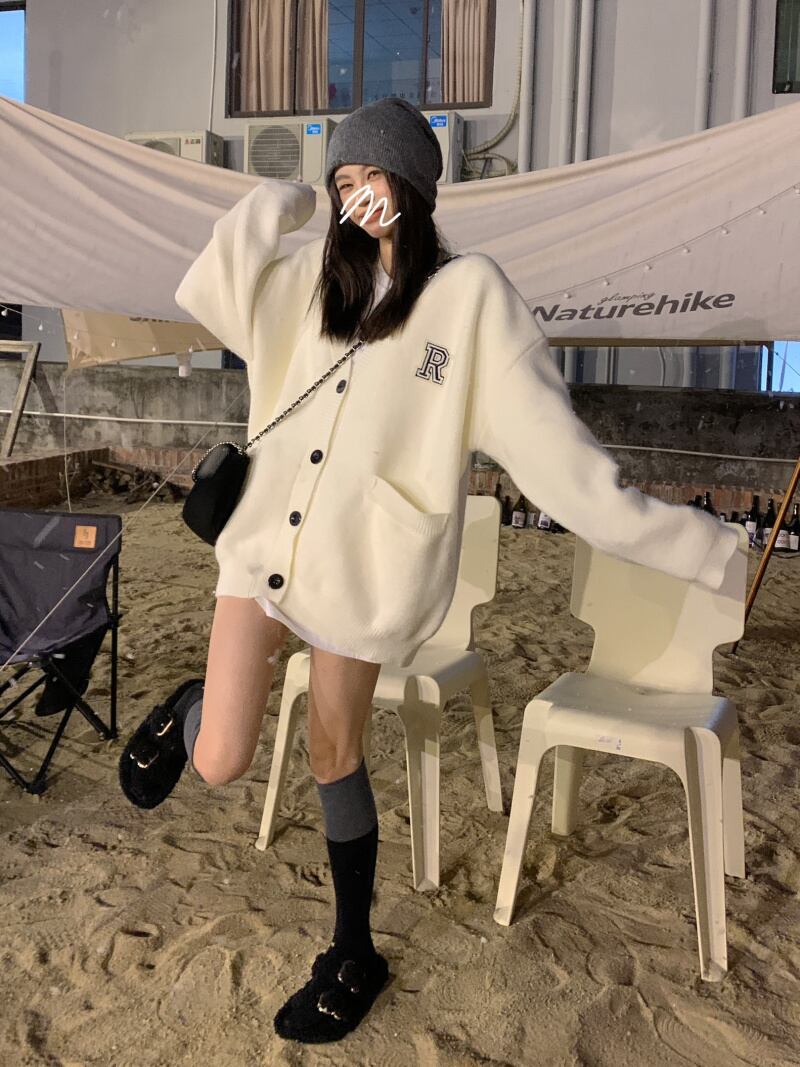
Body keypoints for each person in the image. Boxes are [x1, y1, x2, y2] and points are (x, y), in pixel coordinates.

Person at [117, 96, 740, 1045]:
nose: (356, 196)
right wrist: (288, 198)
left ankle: (352, 950)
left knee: (333, 752)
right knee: (221, 758)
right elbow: (209, 284)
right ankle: (189, 706)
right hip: (261, 544)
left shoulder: (469, 300)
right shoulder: (308, 278)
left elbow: (566, 468)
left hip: (361, 571)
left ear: (412, 185)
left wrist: (698, 544)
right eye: (343, 181)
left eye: (372, 177)